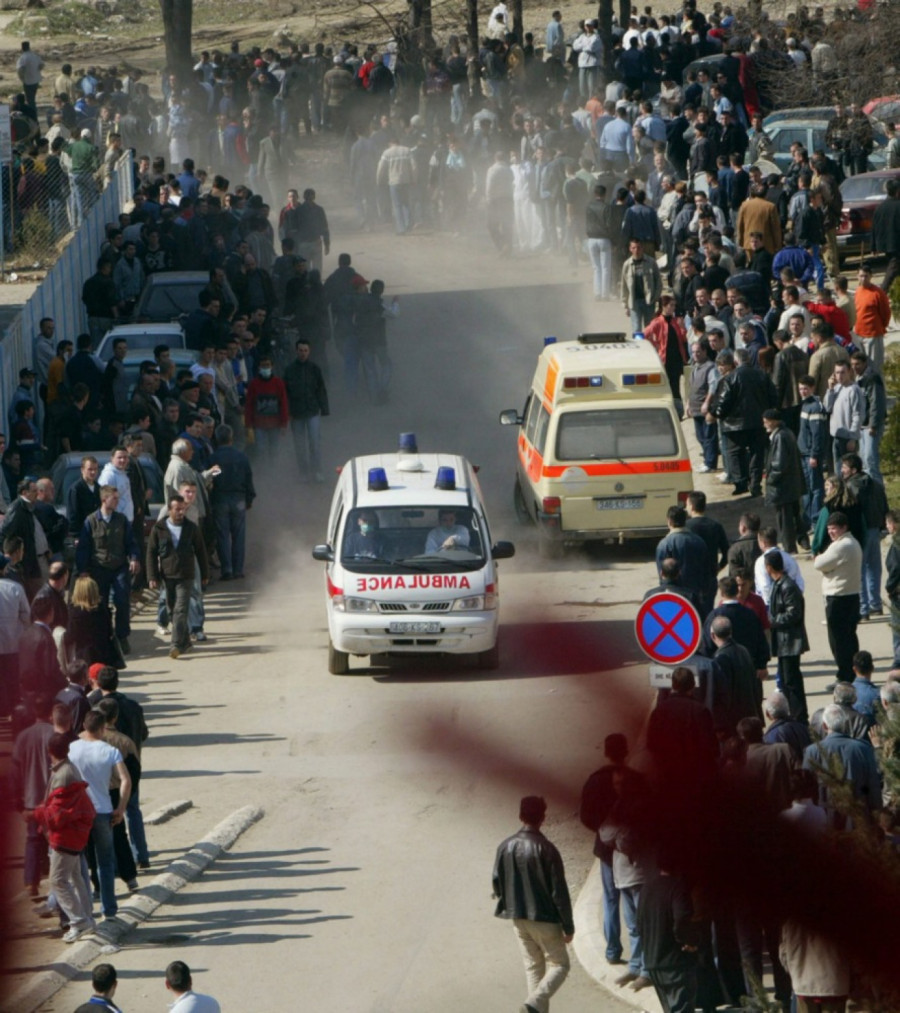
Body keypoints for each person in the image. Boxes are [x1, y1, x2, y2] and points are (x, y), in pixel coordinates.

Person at [493, 796, 574, 1013]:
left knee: (533, 968)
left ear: (521, 816)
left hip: (518, 918)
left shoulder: (505, 846)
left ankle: (534, 1006)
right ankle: (533, 1003)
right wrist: (568, 926)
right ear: (543, 818)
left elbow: (497, 882)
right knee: (560, 965)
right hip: (545, 918)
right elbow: (559, 892)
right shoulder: (547, 850)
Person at [579, 734, 646, 969]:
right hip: (631, 850)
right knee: (634, 904)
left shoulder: (596, 780)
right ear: (626, 751)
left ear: (606, 752)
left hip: (606, 848)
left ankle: (612, 949)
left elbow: (586, 816)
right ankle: (639, 958)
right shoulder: (636, 779)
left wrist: (603, 831)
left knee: (610, 899)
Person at [29, 731, 97, 942]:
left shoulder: (63, 775)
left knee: (58, 880)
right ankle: (87, 919)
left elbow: (58, 812)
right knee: (76, 878)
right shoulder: (68, 769)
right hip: (74, 836)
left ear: (49, 751)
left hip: (65, 837)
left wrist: (36, 813)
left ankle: (78, 921)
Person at [69, 709, 131, 922]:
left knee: (81, 863)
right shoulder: (109, 751)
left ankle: (85, 910)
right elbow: (125, 780)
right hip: (103, 810)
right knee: (105, 862)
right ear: (103, 728)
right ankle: (110, 910)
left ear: (85, 727)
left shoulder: (72, 749)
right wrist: (121, 808)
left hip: (79, 813)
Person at [75, 485, 140, 656]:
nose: (117, 501)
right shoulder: (91, 521)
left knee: (122, 600)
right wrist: (83, 570)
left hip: (119, 567)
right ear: (104, 499)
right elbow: (84, 547)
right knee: (100, 604)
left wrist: (134, 558)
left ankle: (122, 636)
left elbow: (131, 542)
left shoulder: (121, 520)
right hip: (99, 568)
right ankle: (104, 636)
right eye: (114, 498)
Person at [147, 493, 209, 661]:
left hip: (186, 575)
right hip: (167, 576)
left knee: (180, 610)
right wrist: (152, 576)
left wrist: (204, 574)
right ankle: (186, 642)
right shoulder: (159, 529)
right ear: (169, 510)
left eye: (182, 509)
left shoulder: (191, 528)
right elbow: (151, 553)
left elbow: (201, 552)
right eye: (177, 509)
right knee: (171, 610)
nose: (181, 512)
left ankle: (175, 645)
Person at [13, 694, 55, 897]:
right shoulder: (55, 734)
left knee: (32, 840)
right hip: (53, 798)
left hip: (30, 798)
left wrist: (17, 801)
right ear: (51, 713)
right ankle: (55, 882)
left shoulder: (23, 737)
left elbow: (15, 771)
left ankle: (31, 881)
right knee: (55, 841)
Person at [814, 512, 863, 685]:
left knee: (839, 641)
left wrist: (825, 567)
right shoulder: (853, 542)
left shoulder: (841, 546)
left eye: (834, 529)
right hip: (851, 596)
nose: (830, 532)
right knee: (849, 637)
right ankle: (854, 672)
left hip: (838, 598)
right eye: (829, 529)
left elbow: (818, 563)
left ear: (844, 528)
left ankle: (844, 675)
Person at [841, 452, 889, 623]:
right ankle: (876, 604)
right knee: (874, 567)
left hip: (860, 531)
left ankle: (863, 608)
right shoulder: (875, 484)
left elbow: (850, 510)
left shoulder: (851, 487)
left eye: (844, 467)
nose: (842, 470)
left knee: (859, 569)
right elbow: (884, 505)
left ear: (853, 470)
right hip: (875, 529)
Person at [766, 550, 809, 724]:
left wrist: (773, 621)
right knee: (786, 680)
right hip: (784, 641)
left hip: (790, 641)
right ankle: (794, 714)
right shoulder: (779, 584)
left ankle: (799, 716)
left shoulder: (787, 586)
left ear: (769, 567)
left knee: (792, 681)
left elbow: (794, 613)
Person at [209, 424, 255, 581]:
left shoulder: (214, 458)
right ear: (231, 438)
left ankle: (226, 569)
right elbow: (248, 478)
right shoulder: (241, 457)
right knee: (239, 535)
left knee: (222, 535)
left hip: (220, 499)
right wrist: (249, 498)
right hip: (239, 499)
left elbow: (212, 479)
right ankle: (238, 569)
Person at [283, 338, 329, 482]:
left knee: (314, 443)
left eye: (305, 350)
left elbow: (321, 389)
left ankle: (317, 471)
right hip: (296, 413)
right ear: (296, 351)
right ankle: (303, 472)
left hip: (312, 411)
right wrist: (287, 412)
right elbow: (285, 393)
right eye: (300, 350)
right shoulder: (289, 370)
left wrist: (325, 408)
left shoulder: (315, 369)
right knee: (300, 445)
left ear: (309, 352)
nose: (303, 353)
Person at [654, 506, 711, 615]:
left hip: (673, 599)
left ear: (669, 521)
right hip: (695, 598)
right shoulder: (699, 541)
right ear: (685, 520)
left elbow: (662, 577)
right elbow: (706, 572)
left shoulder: (664, 544)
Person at [762, 409, 805, 554]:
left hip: (783, 487)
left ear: (773, 421)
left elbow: (779, 465)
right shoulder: (787, 433)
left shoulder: (780, 437)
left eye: (766, 421)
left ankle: (789, 548)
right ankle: (803, 541)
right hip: (791, 485)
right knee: (794, 516)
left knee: (784, 520)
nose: (764, 424)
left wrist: (770, 480)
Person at [643, 295, 688, 413]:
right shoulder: (657, 322)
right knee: (665, 385)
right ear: (663, 306)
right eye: (671, 305)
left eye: (674, 305)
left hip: (677, 358)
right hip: (665, 359)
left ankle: (678, 411)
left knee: (676, 386)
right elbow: (644, 334)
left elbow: (683, 338)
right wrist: (654, 344)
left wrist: (683, 328)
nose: (673, 308)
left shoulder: (675, 321)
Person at [244, 354, 288, 460]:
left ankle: (273, 470)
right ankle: (263, 470)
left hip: (275, 424)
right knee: (261, 450)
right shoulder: (254, 384)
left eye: (267, 365)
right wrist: (248, 424)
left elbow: (283, 404)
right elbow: (249, 405)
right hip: (259, 425)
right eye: (263, 366)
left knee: (275, 450)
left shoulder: (278, 383)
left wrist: (284, 424)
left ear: (272, 366)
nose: (265, 368)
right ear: (259, 367)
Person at [823, 360, 862, 474]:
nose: (839, 376)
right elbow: (827, 408)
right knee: (838, 471)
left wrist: (853, 438)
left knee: (849, 471)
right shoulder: (836, 388)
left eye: (843, 372)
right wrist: (830, 389)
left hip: (848, 438)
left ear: (849, 372)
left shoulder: (854, 390)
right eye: (837, 372)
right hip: (836, 436)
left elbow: (858, 415)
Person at [853, 260, 891, 372]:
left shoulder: (878, 293)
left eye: (866, 276)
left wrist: (880, 328)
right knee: (862, 368)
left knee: (875, 368)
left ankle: (878, 389)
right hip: (859, 334)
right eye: (861, 276)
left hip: (873, 335)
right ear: (857, 277)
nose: (863, 279)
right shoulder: (858, 291)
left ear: (871, 276)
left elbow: (886, 313)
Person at [621, 238, 662, 334]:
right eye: (634, 248)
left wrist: (655, 298)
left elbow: (658, 282)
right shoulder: (627, 265)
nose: (636, 250)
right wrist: (625, 305)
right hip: (634, 302)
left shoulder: (651, 262)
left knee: (650, 329)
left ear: (642, 248)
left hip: (648, 301)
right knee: (636, 329)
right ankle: (639, 347)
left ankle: (649, 347)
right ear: (630, 249)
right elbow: (624, 285)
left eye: (638, 247)